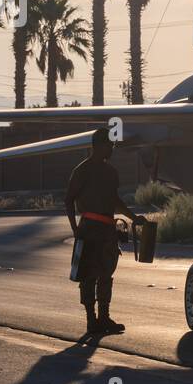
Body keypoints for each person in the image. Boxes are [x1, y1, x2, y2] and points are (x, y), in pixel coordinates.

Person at [65, 128, 144, 335]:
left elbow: (114, 201)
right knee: (88, 275)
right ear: (98, 146)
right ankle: (92, 320)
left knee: (106, 273)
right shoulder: (81, 170)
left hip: (107, 229)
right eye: (110, 145)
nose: (112, 149)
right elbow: (69, 199)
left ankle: (104, 318)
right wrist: (75, 228)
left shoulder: (111, 172)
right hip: (89, 229)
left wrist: (133, 217)